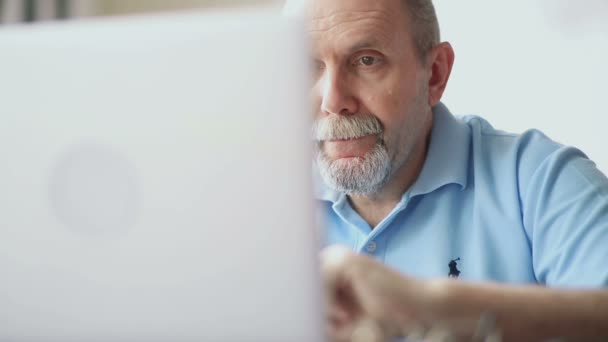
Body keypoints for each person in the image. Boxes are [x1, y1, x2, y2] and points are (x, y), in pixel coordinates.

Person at [285, 0, 608, 340]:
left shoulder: (541, 179)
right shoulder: (260, 207)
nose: (333, 101)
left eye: (367, 60)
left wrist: (429, 306)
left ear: (435, 74)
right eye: (308, 66)